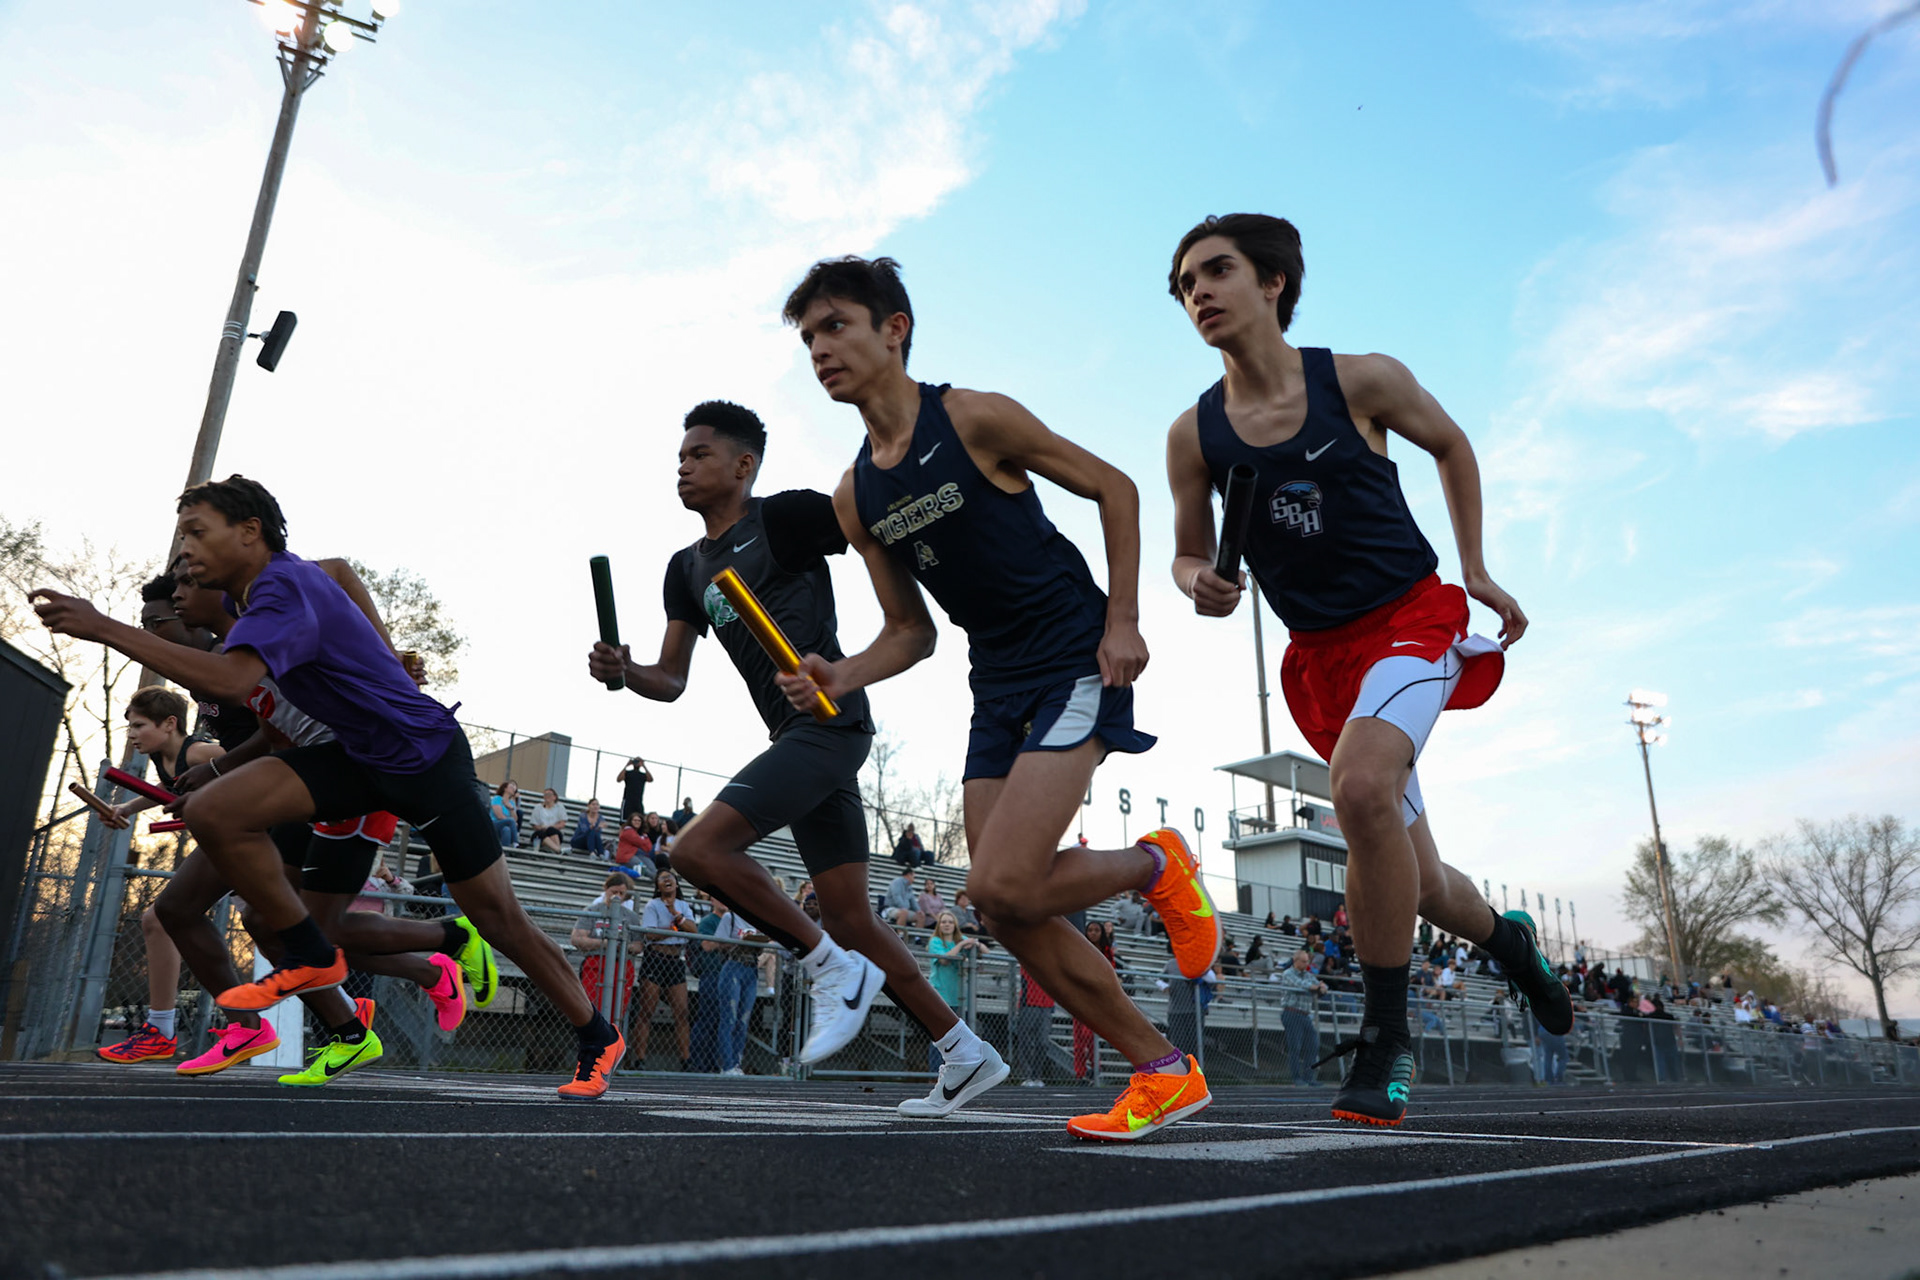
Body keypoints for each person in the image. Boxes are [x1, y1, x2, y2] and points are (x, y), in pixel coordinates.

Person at [779, 254, 1217, 1141]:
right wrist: (840, 673)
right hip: (995, 681)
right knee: (1004, 904)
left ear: (893, 328)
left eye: (836, 327)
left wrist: (1122, 621)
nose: (820, 350)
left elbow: (1115, 488)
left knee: (1004, 879)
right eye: (808, 337)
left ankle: (1157, 867)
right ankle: (1164, 1070)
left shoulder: (974, 416)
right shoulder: (858, 495)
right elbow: (911, 631)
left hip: (1071, 651)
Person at [1163, 213, 1571, 1126]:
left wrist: (1475, 567)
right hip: (1321, 661)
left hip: (1410, 621)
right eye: (1186, 284)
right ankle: (1510, 942)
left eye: (1217, 271)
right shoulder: (1195, 435)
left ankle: (1388, 1042)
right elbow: (1185, 555)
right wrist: (1201, 584)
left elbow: (1453, 444)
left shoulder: (1361, 380)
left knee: (1356, 788)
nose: (1200, 293)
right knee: (1421, 886)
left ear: (1273, 283)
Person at [31, 476, 623, 1099]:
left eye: (196, 539)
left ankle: (595, 1035)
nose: (184, 564)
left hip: (422, 757)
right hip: (355, 758)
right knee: (215, 812)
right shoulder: (249, 598)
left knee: (498, 917)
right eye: (181, 547)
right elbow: (329, 588)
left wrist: (106, 628)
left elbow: (238, 678)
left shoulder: (279, 588)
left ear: (249, 533)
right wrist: (213, 769)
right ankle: (312, 952)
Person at [585, 400, 1006, 1114]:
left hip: (831, 723)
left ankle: (828, 971)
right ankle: (964, 1051)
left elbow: (877, 523)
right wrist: (626, 672)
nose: (683, 466)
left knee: (693, 851)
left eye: (699, 455)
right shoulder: (686, 569)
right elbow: (672, 680)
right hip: (796, 743)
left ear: (743, 465)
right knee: (851, 919)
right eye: (680, 457)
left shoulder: (782, 519)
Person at [92, 686, 225, 1065]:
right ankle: (162, 1029)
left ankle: (175, 1029)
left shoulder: (199, 752)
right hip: (221, 847)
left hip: (252, 842)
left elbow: (253, 762)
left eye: (139, 725)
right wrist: (128, 807)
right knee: (159, 920)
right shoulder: (164, 759)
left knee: (283, 929)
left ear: (170, 724)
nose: (132, 733)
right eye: (129, 726)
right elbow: (168, 787)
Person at [630, 869, 697, 1071]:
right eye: (662, 878)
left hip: (676, 959)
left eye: (671, 878)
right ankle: (639, 1059)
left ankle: (686, 1060)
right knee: (647, 1011)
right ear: (658, 886)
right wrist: (676, 929)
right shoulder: (653, 905)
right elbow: (650, 934)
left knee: (682, 1012)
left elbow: (694, 931)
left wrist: (677, 917)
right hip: (655, 958)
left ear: (677, 884)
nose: (667, 880)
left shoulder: (684, 906)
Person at [693, 894, 763, 1076]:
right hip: (733, 965)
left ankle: (736, 1061)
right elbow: (716, 943)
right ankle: (727, 1064)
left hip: (751, 967)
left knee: (743, 1019)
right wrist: (740, 941)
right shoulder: (729, 917)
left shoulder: (755, 919)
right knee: (729, 1017)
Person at [570, 874, 642, 1027]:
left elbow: (638, 945)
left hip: (621, 965)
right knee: (591, 1008)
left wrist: (623, 946)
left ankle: (611, 1043)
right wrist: (605, 943)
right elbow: (577, 939)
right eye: (613, 892)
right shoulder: (593, 910)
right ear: (606, 890)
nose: (617, 897)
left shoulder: (631, 916)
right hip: (595, 963)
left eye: (621, 894)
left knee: (617, 1011)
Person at [1278, 948, 1328, 1085]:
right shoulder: (1288, 973)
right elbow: (1300, 985)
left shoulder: (1307, 975)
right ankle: (1296, 1078)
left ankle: (1309, 1077)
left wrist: (1320, 987)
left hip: (1305, 1014)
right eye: (1304, 961)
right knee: (1295, 1047)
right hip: (1292, 1012)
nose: (1306, 964)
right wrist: (1317, 987)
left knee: (1313, 1045)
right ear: (1296, 960)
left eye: (1307, 961)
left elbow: (1321, 986)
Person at [613, 812, 656, 879]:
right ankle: (656, 879)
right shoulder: (627, 831)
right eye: (635, 820)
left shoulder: (642, 834)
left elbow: (649, 848)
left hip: (638, 855)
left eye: (639, 821)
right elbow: (638, 842)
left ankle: (656, 878)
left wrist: (643, 839)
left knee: (652, 868)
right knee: (643, 868)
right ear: (631, 821)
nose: (637, 822)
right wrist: (644, 839)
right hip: (627, 856)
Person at [528, 788, 567, 854]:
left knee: (551, 829)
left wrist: (549, 827)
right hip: (541, 832)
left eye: (549, 794)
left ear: (554, 797)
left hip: (554, 832)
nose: (547, 796)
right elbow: (534, 825)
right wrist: (542, 828)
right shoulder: (538, 808)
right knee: (540, 833)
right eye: (545, 794)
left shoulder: (559, 807)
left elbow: (562, 823)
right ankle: (558, 850)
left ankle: (556, 849)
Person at [617, 758, 653, 826]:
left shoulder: (642, 775)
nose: (636, 763)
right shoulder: (628, 773)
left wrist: (644, 766)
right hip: (628, 800)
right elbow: (619, 779)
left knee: (640, 821)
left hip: (638, 801)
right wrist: (626, 765)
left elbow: (650, 779)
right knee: (624, 822)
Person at [489, 781, 521, 849]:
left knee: (506, 830)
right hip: (494, 824)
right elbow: (499, 816)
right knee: (510, 821)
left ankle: (506, 852)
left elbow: (515, 819)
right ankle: (515, 842)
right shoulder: (497, 798)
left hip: (504, 826)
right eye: (511, 787)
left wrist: (511, 808)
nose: (513, 789)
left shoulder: (511, 803)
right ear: (505, 789)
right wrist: (510, 821)